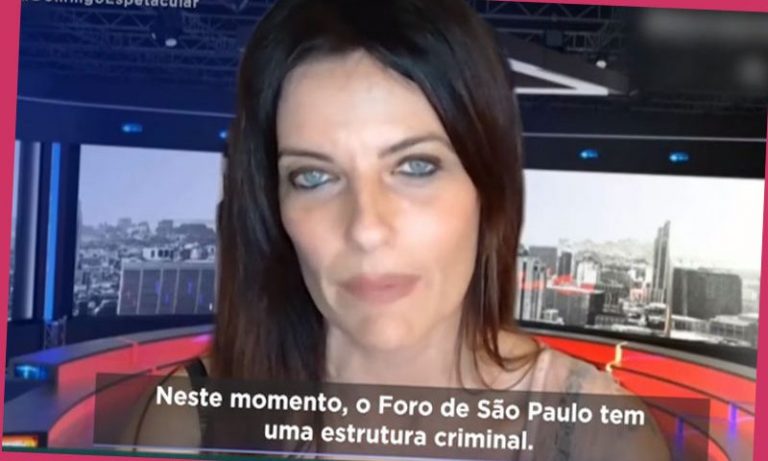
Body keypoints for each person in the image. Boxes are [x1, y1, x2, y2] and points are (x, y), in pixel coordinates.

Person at [126, 0, 671, 459]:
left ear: (488, 190)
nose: (366, 228)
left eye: (416, 166)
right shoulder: (193, 420)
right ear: (275, 207)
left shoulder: (602, 438)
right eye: (314, 176)